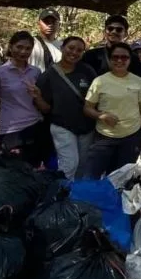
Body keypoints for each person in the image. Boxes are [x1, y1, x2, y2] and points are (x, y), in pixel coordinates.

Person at [82, 42, 141, 178]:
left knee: (122, 180)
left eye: (124, 57)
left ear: (130, 60)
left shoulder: (138, 81)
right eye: (115, 57)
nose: (119, 60)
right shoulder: (99, 81)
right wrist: (101, 116)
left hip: (131, 138)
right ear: (109, 59)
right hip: (104, 138)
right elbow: (87, 108)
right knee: (90, 177)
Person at [34, 35, 96, 179]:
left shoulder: (87, 71)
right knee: (69, 164)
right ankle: (60, 190)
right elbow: (45, 108)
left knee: (83, 165)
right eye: (71, 48)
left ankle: (76, 192)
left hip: (87, 126)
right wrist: (37, 97)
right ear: (62, 48)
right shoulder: (49, 75)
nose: (74, 52)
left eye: (79, 50)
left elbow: (98, 96)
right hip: (62, 126)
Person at [0, 31, 48, 166]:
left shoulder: (36, 72)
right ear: (11, 47)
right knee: (9, 167)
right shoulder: (0, 72)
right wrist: (6, 115)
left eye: (28, 48)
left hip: (34, 125)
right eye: (19, 47)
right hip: (10, 129)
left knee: (32, 167)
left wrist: (37, 96)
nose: (23, 52)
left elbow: (39, 101)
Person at [29, 8, 63, 73]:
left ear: (59, 24)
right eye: (46, 22)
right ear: (39, 23)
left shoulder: (62, 46)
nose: (50, 25)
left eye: (53, 22)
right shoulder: (31, 43)